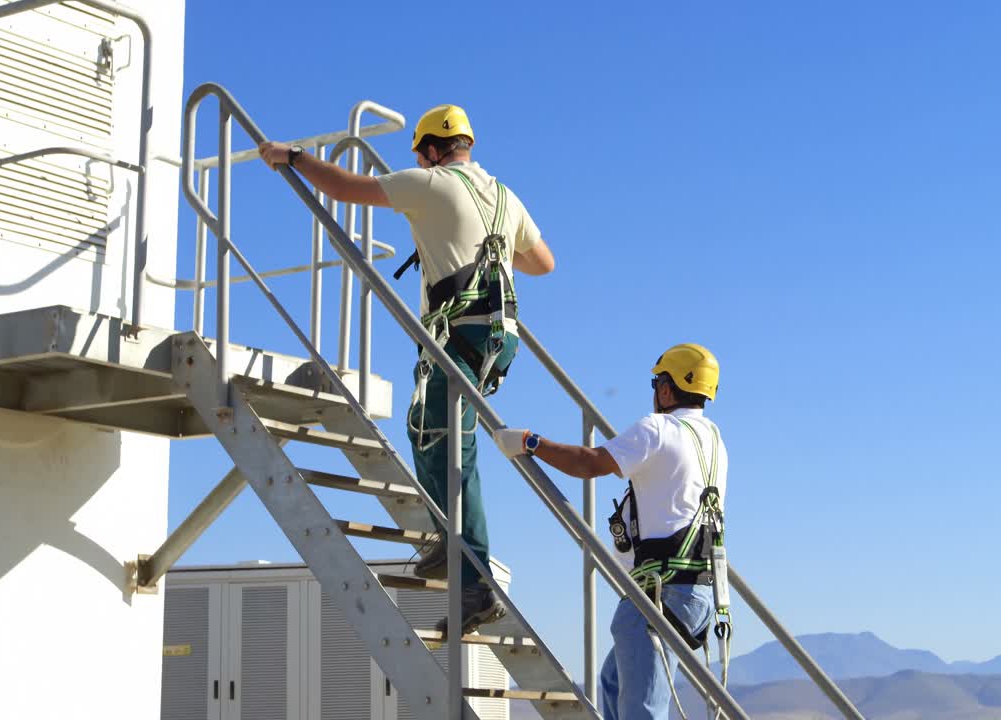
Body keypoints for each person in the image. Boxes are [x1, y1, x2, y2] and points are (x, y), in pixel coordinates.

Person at [259, 104, 556, 633]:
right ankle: (452, 541)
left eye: (420, 152)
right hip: (497, 336)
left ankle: (475, 581)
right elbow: (541, 262)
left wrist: (296, 157)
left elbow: (348, 188)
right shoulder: (505, 197)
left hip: (459, 331)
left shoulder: (431, 184)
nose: (417, 159)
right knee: (427, 431)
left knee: (450, 444)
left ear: (434, 150)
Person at [493, 343, 728, 720]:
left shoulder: (659, 429)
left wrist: (529, 443)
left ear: (667, 389)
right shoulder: (713, 439)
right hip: (698, 593)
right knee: (613, 682)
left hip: (660, 594)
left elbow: (590, 463)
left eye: (656, 384)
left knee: (641, 711)